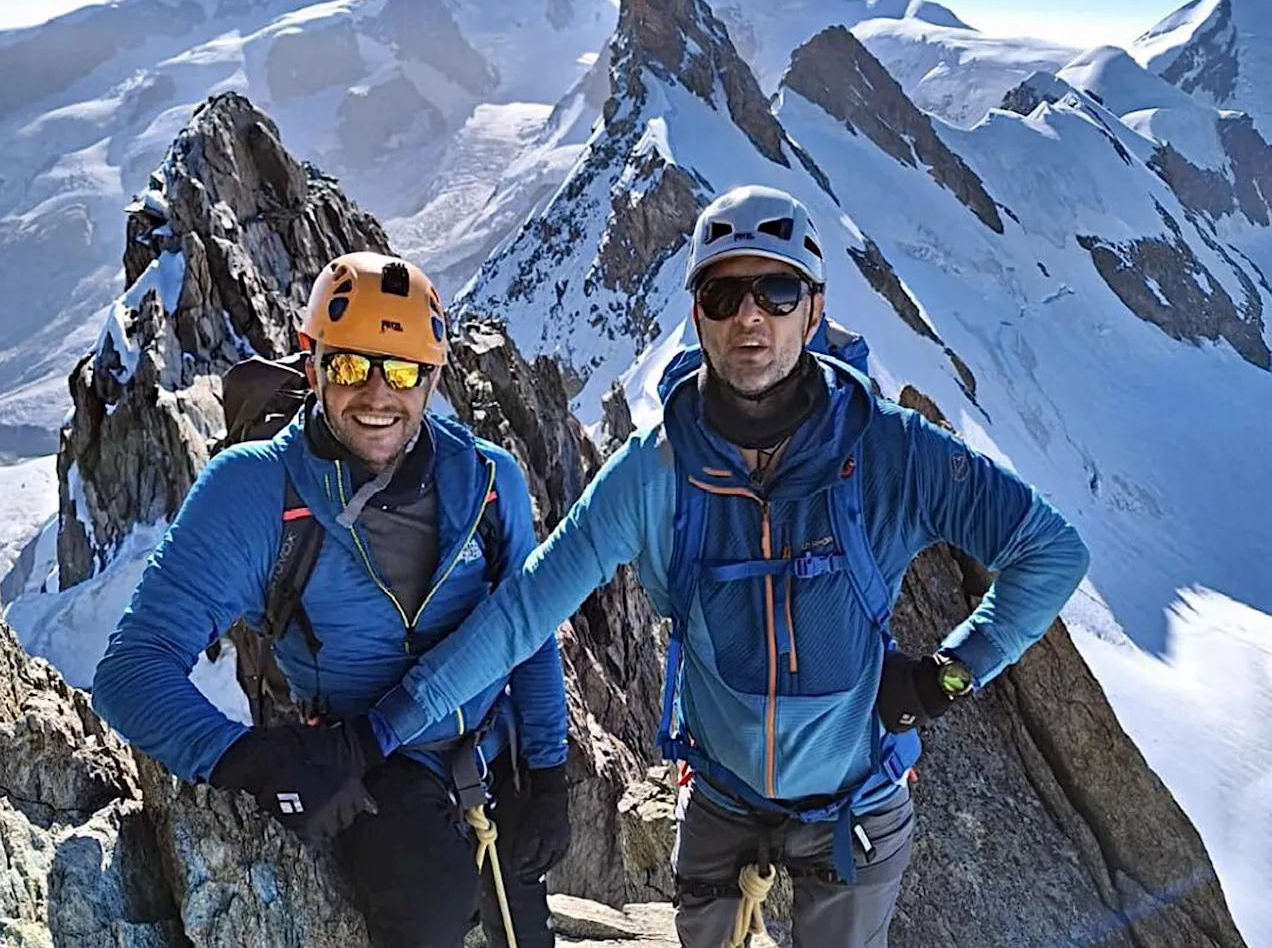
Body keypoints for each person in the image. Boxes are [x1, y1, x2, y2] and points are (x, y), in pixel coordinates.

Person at [349, 187, 1092, 947]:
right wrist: (372, 737)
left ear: (814, 307)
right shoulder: (655, 470)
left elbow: (1052, 550)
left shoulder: (887, 450)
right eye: (723, 291)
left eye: (777, 289)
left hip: (854, 802)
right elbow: (521, 614)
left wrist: (946, 676)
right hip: (722, 799)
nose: (750, 316)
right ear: (697, 311)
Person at [92, 251, 572, 948]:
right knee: (431, 901)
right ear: (313, 365)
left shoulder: (490, 480)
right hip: (365, 762)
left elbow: (527, 628)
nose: (378, 394)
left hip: (493, 758)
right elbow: (130, 669)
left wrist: (550, 773)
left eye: (403, 370)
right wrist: (259, 762)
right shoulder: (256, 490)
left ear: (432, 380)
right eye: (350, 365)